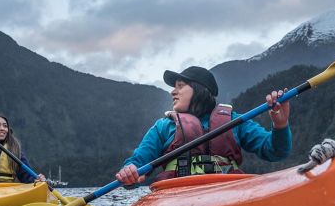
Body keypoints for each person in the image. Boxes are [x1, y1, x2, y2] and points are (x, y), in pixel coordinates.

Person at [116, 66, 292, 185]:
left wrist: (280, 124)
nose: (173, 91)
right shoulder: (164, 127)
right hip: (175, 196)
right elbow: (137, 164)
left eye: (180, 86)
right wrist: (129, 172)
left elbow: (275, 151)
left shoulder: (234, 121)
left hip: (227, 192)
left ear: (199, 90)